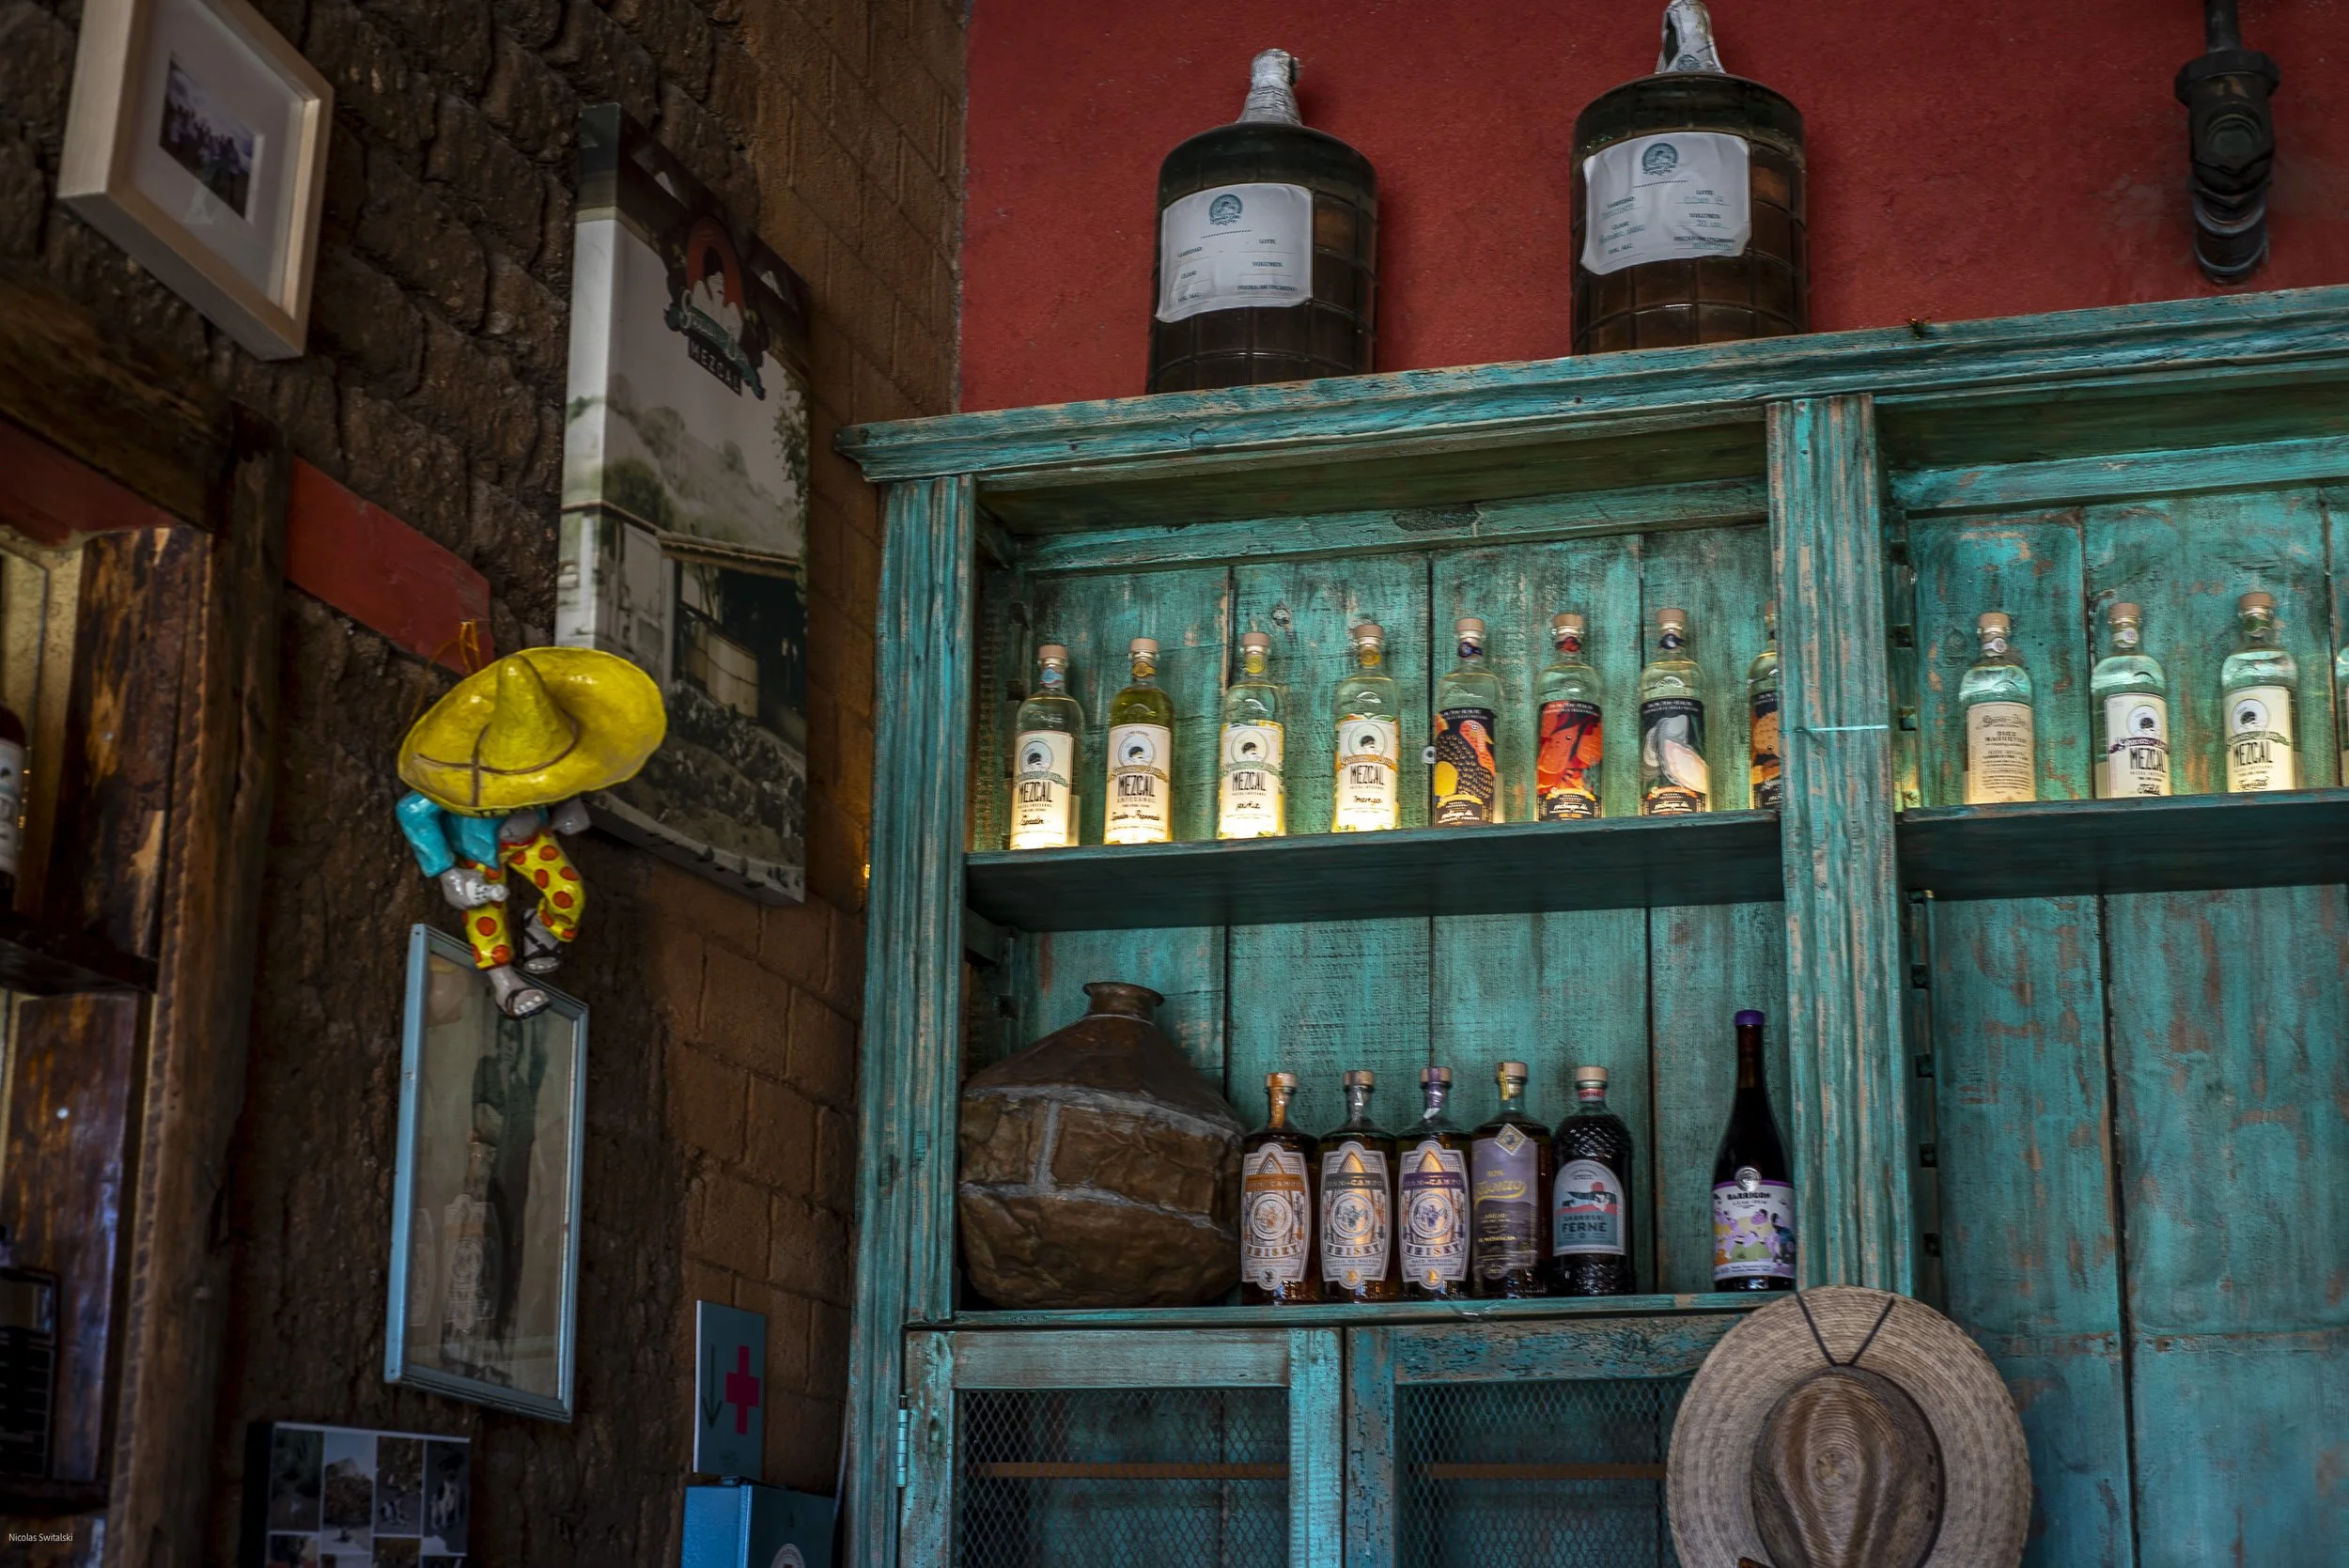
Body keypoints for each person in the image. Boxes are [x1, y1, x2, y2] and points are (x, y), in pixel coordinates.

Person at [396, 649, 666, 1017]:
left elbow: (567, 773)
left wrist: (568, 803)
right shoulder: (463, 780)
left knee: (568, 892)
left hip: (532, 838)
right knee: (485, 913)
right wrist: (445, 871)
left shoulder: (549, 759)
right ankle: (505, 984)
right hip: (481, 850)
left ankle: (543, 926)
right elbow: (413, 810)